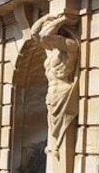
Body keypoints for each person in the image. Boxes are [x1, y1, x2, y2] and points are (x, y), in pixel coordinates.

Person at [30, 13, 80, 156]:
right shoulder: (51, 52)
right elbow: (35, 33)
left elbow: (44, 36)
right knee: (54, 133)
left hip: (63, 94)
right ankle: (55, 146)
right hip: (51, 96)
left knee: (63, 133)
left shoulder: (70, 46)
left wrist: (62, 19)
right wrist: (46, 18)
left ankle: (59, 150)